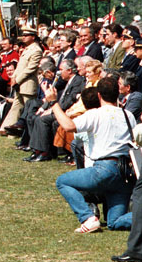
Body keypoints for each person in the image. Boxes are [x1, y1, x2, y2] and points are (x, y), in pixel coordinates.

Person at [47, 76, 136, 233]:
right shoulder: (128, 115)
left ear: (99, 96)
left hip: (104, 168)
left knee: (63, 181)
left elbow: (68, 126)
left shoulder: (95, 114)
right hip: (124, 173)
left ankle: (87, 217)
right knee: (114, 222)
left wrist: (54, 103)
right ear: (118, 94)